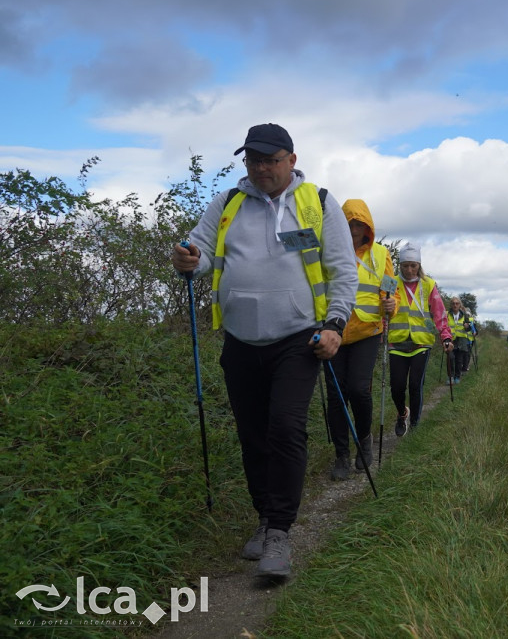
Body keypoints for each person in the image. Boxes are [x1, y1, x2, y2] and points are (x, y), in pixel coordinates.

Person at [171, 123, 358, 578]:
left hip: (298, 338)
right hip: (239, 338)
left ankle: (279, 532)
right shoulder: (228, 202)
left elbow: (342, 270)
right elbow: (200, 252)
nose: (260, 169)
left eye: (270, 160)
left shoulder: (319, 203)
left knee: (285, 428)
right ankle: (263, 519)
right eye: (252, 160)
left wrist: (335, 324)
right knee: (253, 436)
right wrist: (186, 260)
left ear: (291, 160)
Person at [323, 199, 397, 481]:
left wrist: (392, 305)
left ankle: (364, 439)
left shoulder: (381, 255)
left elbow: (390, 291)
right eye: (349, 224)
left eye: (358, 224)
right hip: (334, 330)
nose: (354, 230)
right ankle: (341, 454)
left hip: (368, 331)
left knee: (358, 390)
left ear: (367, 226)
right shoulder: (328, 250)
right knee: (336, 394)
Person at [388, 242, 453, 435]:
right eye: (405, 265)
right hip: (397, 342)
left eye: (413, 265)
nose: (409, 270)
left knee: (415, 385)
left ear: (419, 265)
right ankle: (402, 414)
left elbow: (439, 313)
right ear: (400, 265)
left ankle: (415, 425)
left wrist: (446, 336)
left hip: (421, 342)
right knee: (397, 388)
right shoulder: (390, 282)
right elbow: (382, 310)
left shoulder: (428, 284)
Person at [447, 296, 474, 383]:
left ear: (460, 305)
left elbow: (469, 328)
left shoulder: (464, 315)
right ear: (451, 305)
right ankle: (450, 377)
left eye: (457, 303)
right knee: (450, 358)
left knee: (459, 360)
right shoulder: (447, 314)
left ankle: (457, 377)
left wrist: (467, 327)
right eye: (453, 303)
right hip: (450, 339)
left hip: (461, 340)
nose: (455, 305)